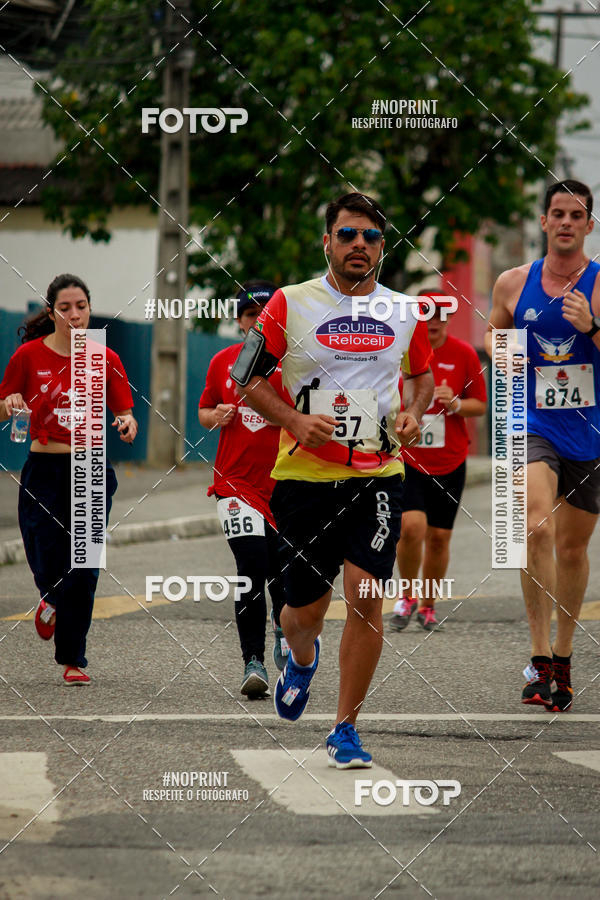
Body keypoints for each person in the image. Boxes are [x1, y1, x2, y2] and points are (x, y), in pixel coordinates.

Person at [232, 192, 433, 767]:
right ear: (327, 241)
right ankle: (300, 658)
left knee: (367, 597)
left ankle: (345, 729)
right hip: (302, 477)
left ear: (382, 245)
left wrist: (415, 413)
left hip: (378, 475)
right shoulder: (289, 303)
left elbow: (420, 378)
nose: (359, 245)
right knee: (303, 613)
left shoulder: (404, 312)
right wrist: (294, 418)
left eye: (370, 236)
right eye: (347, 235)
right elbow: (248, 376)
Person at [486, 179, 600, 711]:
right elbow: (494, 331)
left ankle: (564, 655)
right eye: (557, 213)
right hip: (531, 421)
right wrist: (502, 348)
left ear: (589, 226)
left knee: (573, 547)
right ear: (544, 222)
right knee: (535, 526)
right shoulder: (513, 282)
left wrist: (592, 327)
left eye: (576, 215)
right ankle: (538, 660)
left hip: (588, 429)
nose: (566, 223)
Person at [0, 273, 137, 684]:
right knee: (43, 549)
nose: (75, 315)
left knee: (85, 566)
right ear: (51, 312)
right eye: (65, 308)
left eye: (81, 307)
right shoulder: (28, 356)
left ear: (89, 309)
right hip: (43, 469)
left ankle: (73, 659)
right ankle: (50, 597)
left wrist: (127, 422)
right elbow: (3, 407)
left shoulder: (103, 357)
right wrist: (9, 404)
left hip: (91, 467)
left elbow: (125, 410)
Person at [198, 281, 288, 699]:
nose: (257, 319)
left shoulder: (296, 363)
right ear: (239, 321)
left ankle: (283, 629)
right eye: (250, 314)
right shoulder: (222, 362)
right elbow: (203, 412)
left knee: (282, 572)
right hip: (235, 485)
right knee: (251, 565)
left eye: (265, 312)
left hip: (286, 484)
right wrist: (215, 413)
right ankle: (253, 662)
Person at [391, 291, 487, 632]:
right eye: (425, 314)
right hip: (409, 458)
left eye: (439, 315)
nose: (432, 321)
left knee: (439, 538)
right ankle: (406, 595)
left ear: (447, 318)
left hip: (450, 460)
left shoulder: (462, 353)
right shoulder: (398, 348)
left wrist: (457, 404)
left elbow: (480, 405)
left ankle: (428, 604)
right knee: (410, 527)